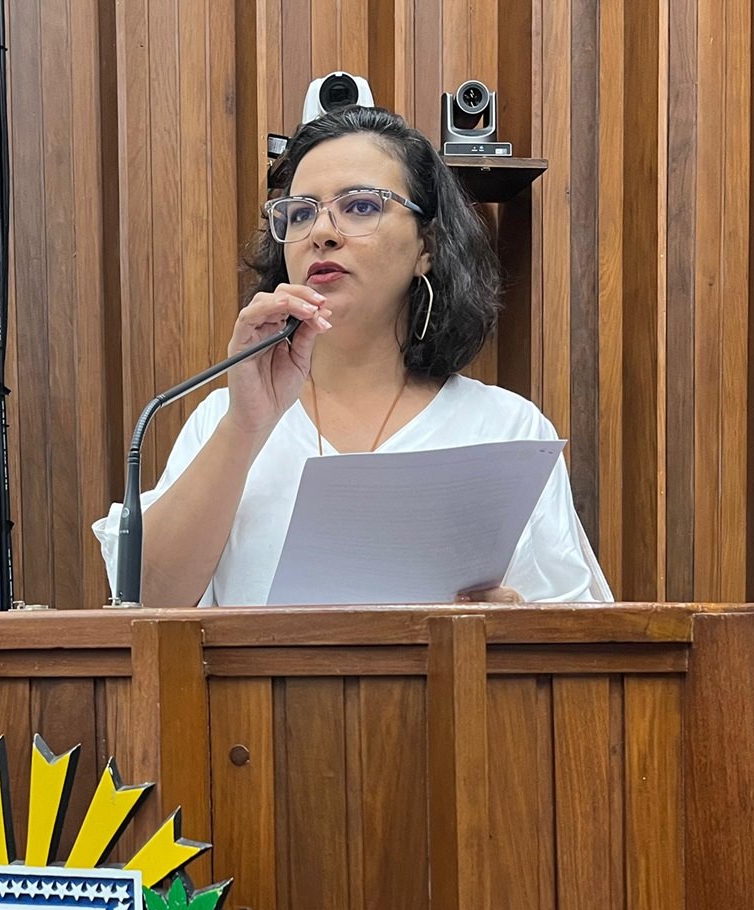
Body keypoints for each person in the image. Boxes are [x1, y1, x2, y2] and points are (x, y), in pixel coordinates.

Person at [93, 105, 612, 609]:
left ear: (426, 247)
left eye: (360, 206)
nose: (321, 233)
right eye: (301, 213)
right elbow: (143, 605)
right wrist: (246, 425)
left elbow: (576, 632)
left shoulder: (506, 428)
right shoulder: (222, 422)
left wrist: (512, 624)